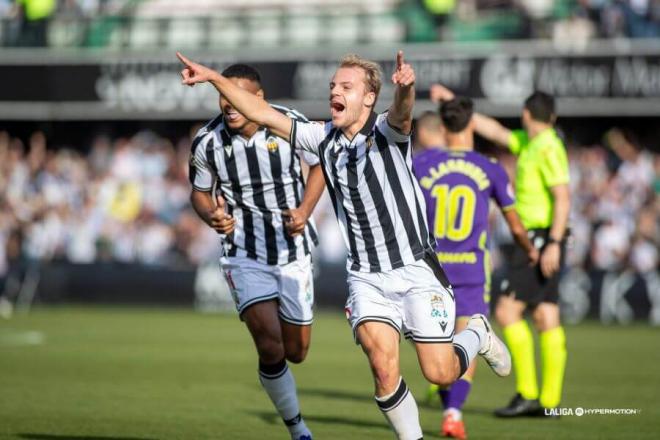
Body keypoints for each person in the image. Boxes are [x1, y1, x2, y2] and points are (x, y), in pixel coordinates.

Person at [178, 50, 512, 440]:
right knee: (383, 369)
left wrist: (406, 90)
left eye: (346, 87)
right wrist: (214, 79)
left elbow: (403, 114)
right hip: (366, 277)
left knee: (439, 372)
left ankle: (478, 332)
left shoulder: (386, 132)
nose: (335, 91)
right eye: (333, 86)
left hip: (415, 269)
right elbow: (263, 111)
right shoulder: (323, 139)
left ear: (369, 98)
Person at [188, 63, 326, 440]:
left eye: (238, 97)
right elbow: (200, 193)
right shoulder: (208, 141)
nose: (229, 105)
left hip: (292, 248)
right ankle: (298, 428)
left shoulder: (287, 124)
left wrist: (303, 210)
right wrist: (211, 214)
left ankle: (290, 405)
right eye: (223, 96)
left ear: (258, 99)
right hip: (242, 252)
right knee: (269, 343)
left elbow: (320, 165)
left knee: (296, 352)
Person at [431, 85, 571, 417]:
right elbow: (492, 129)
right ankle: (548, 402)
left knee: (507, 312)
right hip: (547, 236)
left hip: (540, 236)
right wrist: (453, 104)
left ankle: (527, 393)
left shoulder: (547, 148)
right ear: (551, 116)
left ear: (526, 115)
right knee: (544, 314)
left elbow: (563, 196)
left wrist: (552, 242)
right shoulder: (534, 142)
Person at [413, 97, 538, 438]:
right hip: (470, 273)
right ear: (471, 124)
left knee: (436, 348)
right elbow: (514, 224)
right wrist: (530, 249)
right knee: (468, 338)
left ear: (442, 125)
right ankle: (453, 413)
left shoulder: (420, 165)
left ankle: (447, 407)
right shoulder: (489, 167)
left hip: (431, 272)